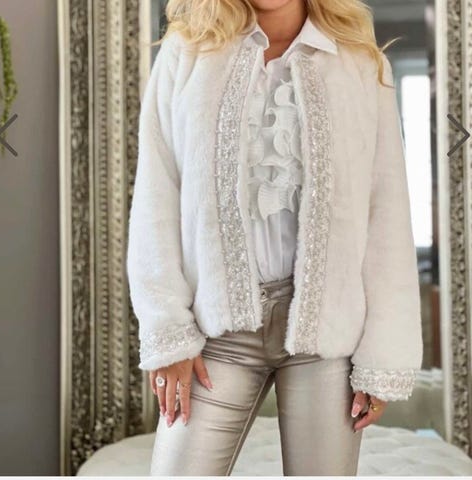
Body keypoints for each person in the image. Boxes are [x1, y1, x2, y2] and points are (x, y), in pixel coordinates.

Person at [126, 0, 423, 475]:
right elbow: (156, 196)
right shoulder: (188, 53)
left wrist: (384, 355)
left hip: (326, 340)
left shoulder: (361, 64)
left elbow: (386, 212)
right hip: (217, 334)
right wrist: (168, 333)